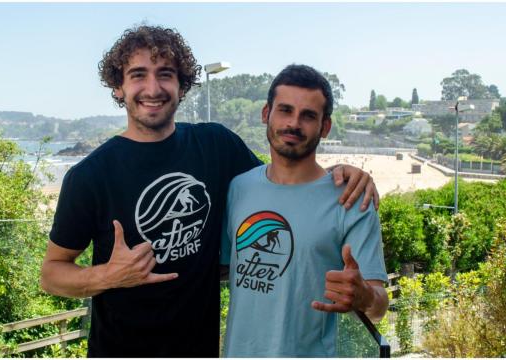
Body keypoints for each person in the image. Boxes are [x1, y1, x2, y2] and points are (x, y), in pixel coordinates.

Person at [40, 25, 378, 357]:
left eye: (166, 74)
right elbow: (52, 274)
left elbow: (285, 177)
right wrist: (108, 276)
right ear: (118, 86)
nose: (153, 88)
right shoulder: (89, 176)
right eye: (138, 75)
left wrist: (340, 174)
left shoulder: (217, 146)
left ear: (182, 85)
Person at [220, 64, 389, 357]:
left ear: (325, 126)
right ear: (266, 114)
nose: (293, 124)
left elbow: (379, 307)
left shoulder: (351, 200)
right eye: (285, 110)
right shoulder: (239, 188)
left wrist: (363, 296)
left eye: (308, 116)